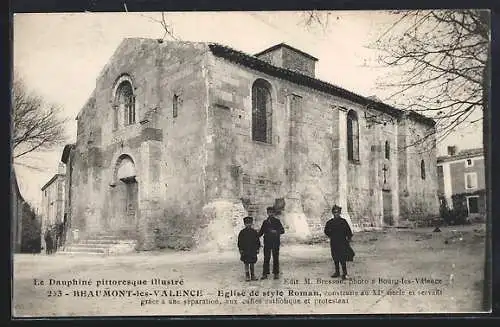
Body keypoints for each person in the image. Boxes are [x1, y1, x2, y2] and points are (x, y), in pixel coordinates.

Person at [324, 205, 354, 280]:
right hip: (334, 242)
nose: (336, 214)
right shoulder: (330, 222)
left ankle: (345, 273)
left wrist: (349, 238)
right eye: (334, 212)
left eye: (337, 212)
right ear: (332, 213)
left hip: (342, 242)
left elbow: (348, 231)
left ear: (340, 213)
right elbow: (326, 231)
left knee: (342, 258)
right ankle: (337, 272)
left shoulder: (343, 221)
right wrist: (331, 235)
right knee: (335, 257)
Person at [258, 207, 285, 280]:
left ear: (274, 213)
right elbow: (261, 232)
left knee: (275, 258)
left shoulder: (277, 221)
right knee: (266, 258)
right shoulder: (265, 222)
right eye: (269, 212)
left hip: (275, 242)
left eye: (272, 212)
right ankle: (265, 274)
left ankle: (276, 273)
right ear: (267, 213)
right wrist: (254, 235)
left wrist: (276, 231)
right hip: (267, 242)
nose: (270, 214)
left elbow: (282, 231)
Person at [237, 216, 261, 281]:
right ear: (244, 224)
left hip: (252, 250)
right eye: (247, 223)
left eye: (249, 223)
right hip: (245, 250)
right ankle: (247, 275)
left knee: (252, 263)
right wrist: (240, 249)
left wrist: (257, 248)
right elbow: (240, 241)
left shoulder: (254, 232)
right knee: (246, 263)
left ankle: (253, 275)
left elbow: (257, 241)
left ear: (251, 223)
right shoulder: (242, 232)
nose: (248, 224)